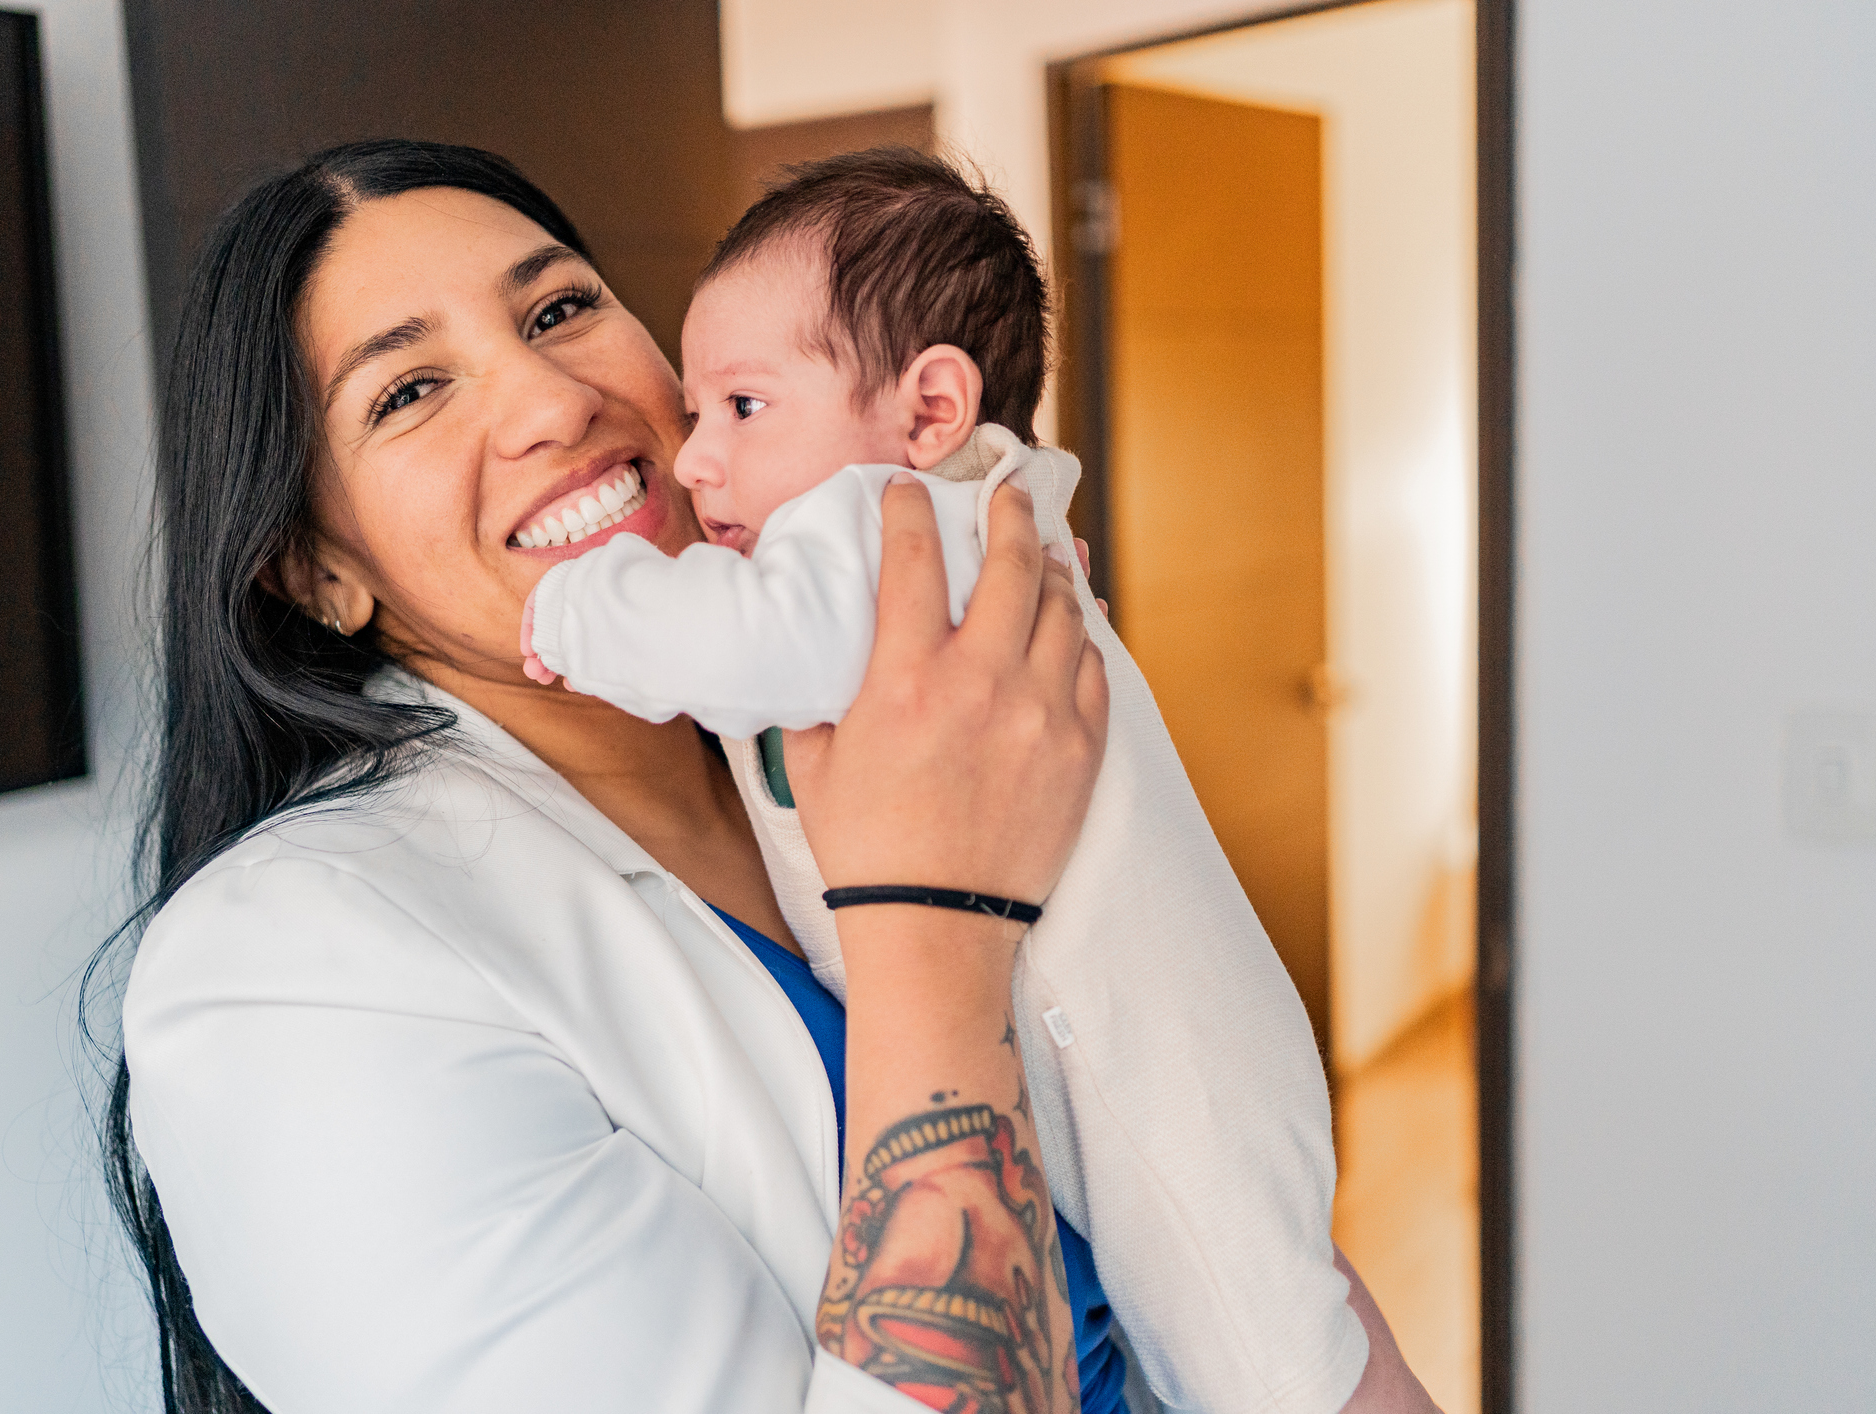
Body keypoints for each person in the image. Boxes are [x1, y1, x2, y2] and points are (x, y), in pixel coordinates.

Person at [94, 139, 1434, 1414]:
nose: (555, 399)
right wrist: (935, 921)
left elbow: (1165, 1126)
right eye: (407, 389)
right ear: (315, 571)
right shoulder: (291, 976)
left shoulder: (861, 696)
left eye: (560, 308)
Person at [516, 147, 1386, 1414]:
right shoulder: (953, 512)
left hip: (1152, 1065)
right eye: (697, 413)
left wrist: (585, 607)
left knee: (1266, 1364)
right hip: (1135, 1048)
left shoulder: (889, 517)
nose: (697, 461)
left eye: (744, 409)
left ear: (929, 411)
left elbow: (764, 643)